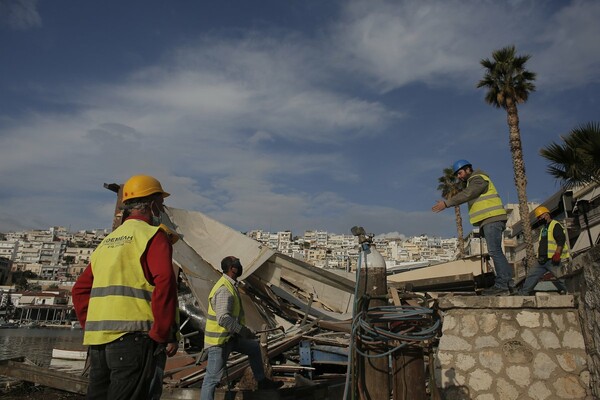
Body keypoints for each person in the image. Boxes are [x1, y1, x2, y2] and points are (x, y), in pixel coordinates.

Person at [72, 174, 180, 400]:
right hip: (133, 340)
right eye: (161, 202)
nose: (162, 207)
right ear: (151, 204)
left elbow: (79, 290)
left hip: (98, 343)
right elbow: (165, 282)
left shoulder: (106, 243)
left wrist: (90, 327)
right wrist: (162, 333)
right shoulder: (153, 235)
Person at [200, 256, 283, 400]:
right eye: (237, 264)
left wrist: (240, 332)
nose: (240, 266)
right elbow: (223, 319)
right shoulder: (224, 289)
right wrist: (243, 331)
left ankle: (262, 382)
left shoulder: (231, 285)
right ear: (232, 268)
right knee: (211, 380)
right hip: (218, 342)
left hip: (229, 338)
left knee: (254, 348)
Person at [432, 159, 513, 295]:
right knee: (496, 251)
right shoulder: (474, 180)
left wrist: (447, 203)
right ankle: (508, 285)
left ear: (468, 169)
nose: (459, 176)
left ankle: (502, 285)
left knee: (495, 252)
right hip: (489, 220)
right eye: (457, 174)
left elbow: (469, 193)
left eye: (460, 173)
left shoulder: (477, 178)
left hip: (491, 218)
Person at [517, 206, 569, 295]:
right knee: (531, 275)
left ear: (547, 215)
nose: (539, 219)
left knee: (561, 277)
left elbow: (561, 239)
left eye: (540, 217)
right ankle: (523, 293)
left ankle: (570, 291)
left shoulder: (555, 224)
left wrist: (557, 253)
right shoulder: (543, 229)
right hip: (541, 260)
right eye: (538, 218)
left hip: (552, 259)